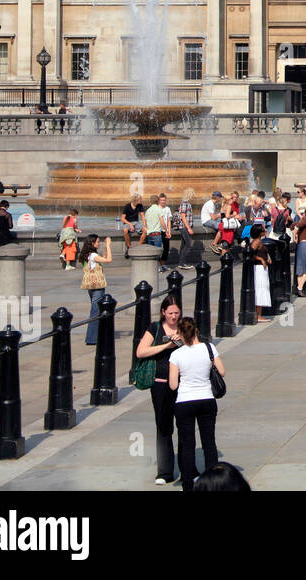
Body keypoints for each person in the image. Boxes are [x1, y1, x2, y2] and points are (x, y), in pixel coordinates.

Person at [167, 316, 224, 492]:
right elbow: (221, 371)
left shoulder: (176, 354)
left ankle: (188, 485)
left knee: (187, 444)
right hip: (206, 399)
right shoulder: (209, 348)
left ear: (180, 334)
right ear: (196, 331)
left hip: (185, 401)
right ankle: (213, 483)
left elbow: (173, 384)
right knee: (209, 442)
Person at [135, 295, 185, 485]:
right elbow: (141, 351)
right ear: (163, 312)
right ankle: (164, 472)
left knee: (183, 425)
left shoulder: (184, 327)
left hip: (182, 383)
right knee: (163, 426)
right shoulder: (154, 328)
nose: (173, 317)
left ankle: (186, 468)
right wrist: (167, 345)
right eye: (170, 313)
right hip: (160, 383)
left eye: (177, 313)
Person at [80, 234, 112, 345]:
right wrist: (108, 245)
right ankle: (92, 338)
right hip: (98, 287)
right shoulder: (93, 255)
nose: (99, 243)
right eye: (98, 242)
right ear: (92, 243)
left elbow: (103, 259)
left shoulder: (88, 255)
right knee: (96, 312)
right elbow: (109, 260)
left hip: (92, 286)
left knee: (96, 310)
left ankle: (94, 336)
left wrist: (105, 250)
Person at [249, 235, 271, 322]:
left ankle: (259, 314)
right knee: (260, 290)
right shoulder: (256, 242)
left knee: (262, 289)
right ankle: (258, 315)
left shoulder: (259, 241)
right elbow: (251, 254)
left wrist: (267, 257)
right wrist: (261, 259)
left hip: (262, 268)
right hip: (259, 268)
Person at [176, 192, 195, 270]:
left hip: (185, 227)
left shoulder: (187, 204)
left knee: (183, 245)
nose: (193, 197)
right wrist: (189, 228)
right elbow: (183, 217)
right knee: (188, 245)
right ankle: (182, 263)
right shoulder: (185, 204)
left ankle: (181, 263)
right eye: (192, 195)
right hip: (184, 227)